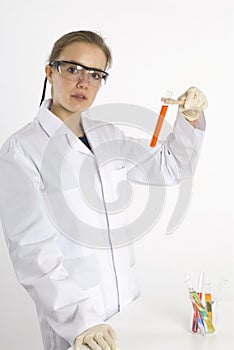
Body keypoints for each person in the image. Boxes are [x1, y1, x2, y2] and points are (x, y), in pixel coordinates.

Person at [0, 30, 207, 350]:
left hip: (129, 308)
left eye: (95, 74)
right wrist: (81, 320)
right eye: (72, 69)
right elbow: (31, 252)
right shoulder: (21, 150)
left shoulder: (106, 133)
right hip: (78, 321)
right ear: (49, 71)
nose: (83, 82)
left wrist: (190, 119)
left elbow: (170, 167)